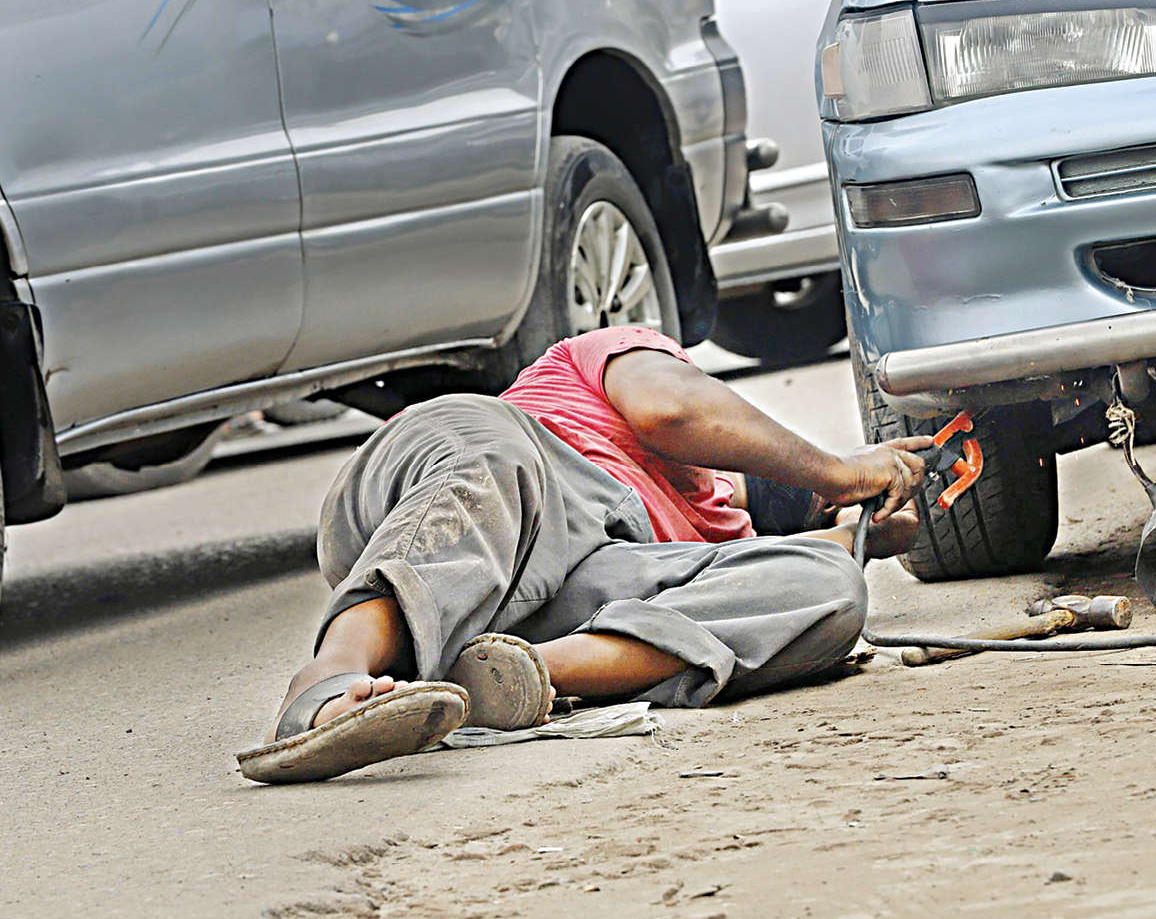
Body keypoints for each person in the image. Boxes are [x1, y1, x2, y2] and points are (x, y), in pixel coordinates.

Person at [237, 326, 937, 783]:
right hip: (498, 470)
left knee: (830, 585)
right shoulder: (612, 360)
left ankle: (500, 679)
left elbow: (767, 589)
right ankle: (326, 682)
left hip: (573, 589)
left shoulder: (718, 541)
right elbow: (672, 412)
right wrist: (840, 471)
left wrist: (859, 539)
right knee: (493, 462)